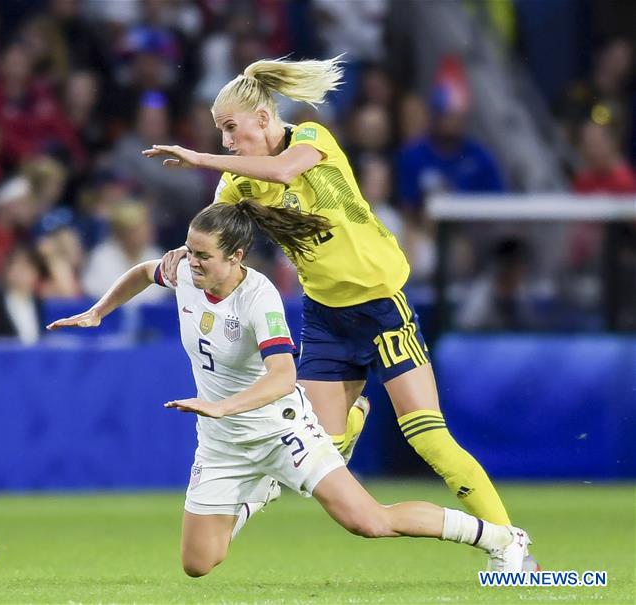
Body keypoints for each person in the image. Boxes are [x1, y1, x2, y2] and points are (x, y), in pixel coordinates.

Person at [142, 57, 526, 556]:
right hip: (325, 317)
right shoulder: (237, 184)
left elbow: (282, 171)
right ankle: (344, 426)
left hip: (380, 306)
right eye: (219, 134)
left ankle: (510, 543)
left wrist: (201, 158)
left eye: (230, 129)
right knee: (321, 446)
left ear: (263, 118)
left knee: (429, 438)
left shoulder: (310, 138)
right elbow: (210, 231)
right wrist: (182, 251)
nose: (226, 143)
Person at [48, 201, 531, 577]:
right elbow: (141, 272)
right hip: (223, 443)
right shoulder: (185, 273)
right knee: (198, 564)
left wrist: (222, 407)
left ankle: (501, 538)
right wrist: (98, 311)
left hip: (281, 429)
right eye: (188, 250)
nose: (189, 263)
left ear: (235, 257)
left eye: (202, 255)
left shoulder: (260, 299)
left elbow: (282, 377)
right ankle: (261, 489)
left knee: (368, 521)